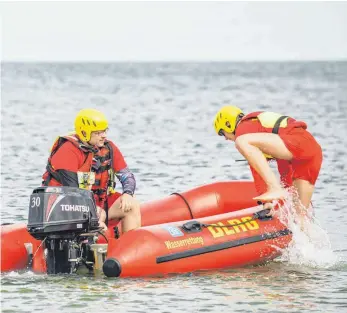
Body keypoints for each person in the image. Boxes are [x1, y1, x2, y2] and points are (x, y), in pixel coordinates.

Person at [213, 105, 323, 220]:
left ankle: (274, 187)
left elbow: (256, 169)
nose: (225, 138)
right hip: (312, 152)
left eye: (222, 133)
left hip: (299, 142)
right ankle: (308, 236)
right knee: (300, 216)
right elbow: (283, 161)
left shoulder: (243, 129)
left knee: (241, 142)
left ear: (228, 125)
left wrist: (266, 201)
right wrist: (285, 187)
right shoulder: (257, 129)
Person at [42, 108, 141, 233]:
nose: (104, 135)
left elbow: (127, 175)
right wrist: (94, 218)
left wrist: (127, 193)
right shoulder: (67, 150)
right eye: (98, 133)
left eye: (105, 131)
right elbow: (73, 193)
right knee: (100, 214)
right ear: (85, 133)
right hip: (67, 207)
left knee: (132, 205)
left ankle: (130, 249)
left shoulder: (108, 148)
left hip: (99, 204)